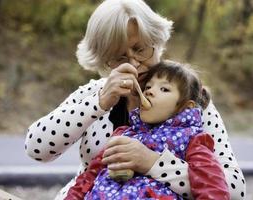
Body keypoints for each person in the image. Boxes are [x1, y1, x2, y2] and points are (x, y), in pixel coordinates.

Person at [25, 0, 246, 199]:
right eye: (119, 57)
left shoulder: (191, 102)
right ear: (103, 60)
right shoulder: (95, 93)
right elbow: (37, 149)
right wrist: (99, 102)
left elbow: (235, 190)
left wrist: (153, 163)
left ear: (157, 42)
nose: (134, 64)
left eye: (140, 49)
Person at [66, 61, 230, 200]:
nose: (149, 91)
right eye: (148, 87)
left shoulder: (192, 139)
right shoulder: (123, 133)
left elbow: (212, 187)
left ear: (186, 107)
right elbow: (89, 176)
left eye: (164, 89)